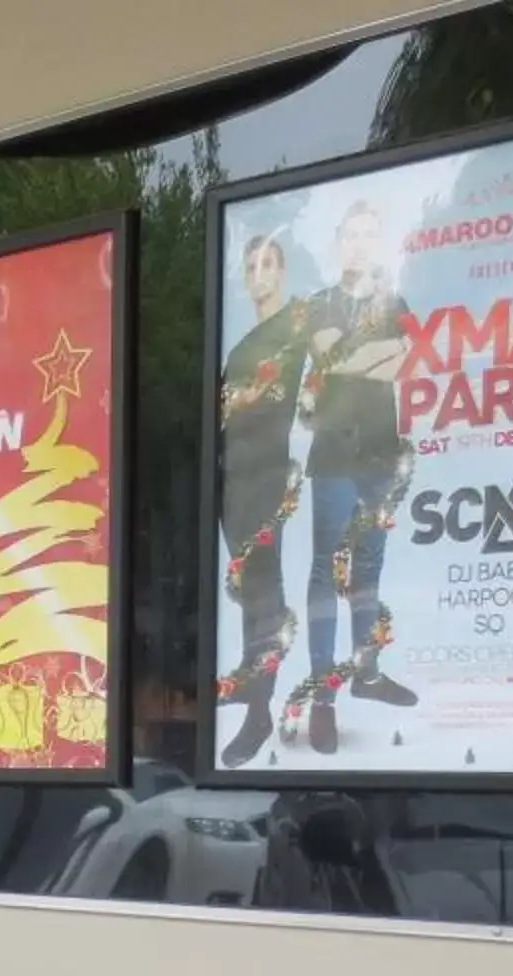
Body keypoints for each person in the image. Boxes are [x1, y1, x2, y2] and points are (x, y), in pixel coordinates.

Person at [292, 199, 419, 755]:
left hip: (380, 452)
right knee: (328, 570)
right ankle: (323, 700)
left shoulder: (395, 302)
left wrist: (371, 354)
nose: (361, 244)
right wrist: (379, 351)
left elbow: (407, 359)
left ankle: (366, 674)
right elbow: (332, 359)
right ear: (338, 242)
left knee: (370, 564)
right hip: (336, 454)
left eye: (371, 234)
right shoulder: (319, 305)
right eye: (352, 234)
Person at [212, 229, 311, 769]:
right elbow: (226, 407)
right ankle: (253, 686)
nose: (259, 275)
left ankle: (259, 706)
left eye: (268, 264)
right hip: (235, 478)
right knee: (251, 588)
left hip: (267, 473)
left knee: (263, 586)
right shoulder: (242, 345)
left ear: (282, 272)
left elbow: (257, 398)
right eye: (252, 266)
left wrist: (237, 400)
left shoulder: (290, 329)